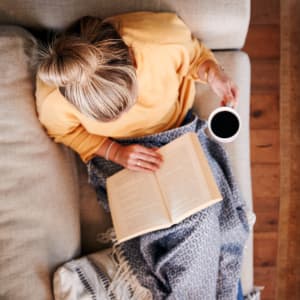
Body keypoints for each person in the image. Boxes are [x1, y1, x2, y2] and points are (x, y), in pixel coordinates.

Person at [35, 12, 248, 299]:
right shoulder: (55, 97)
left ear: (134, 59)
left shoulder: (160, 40)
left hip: (176, 135)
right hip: (118, 156)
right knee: (160, 231)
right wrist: (115, 151)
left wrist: (213, 73)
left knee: (206, 216)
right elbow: (66, 133)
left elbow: (195, 58)